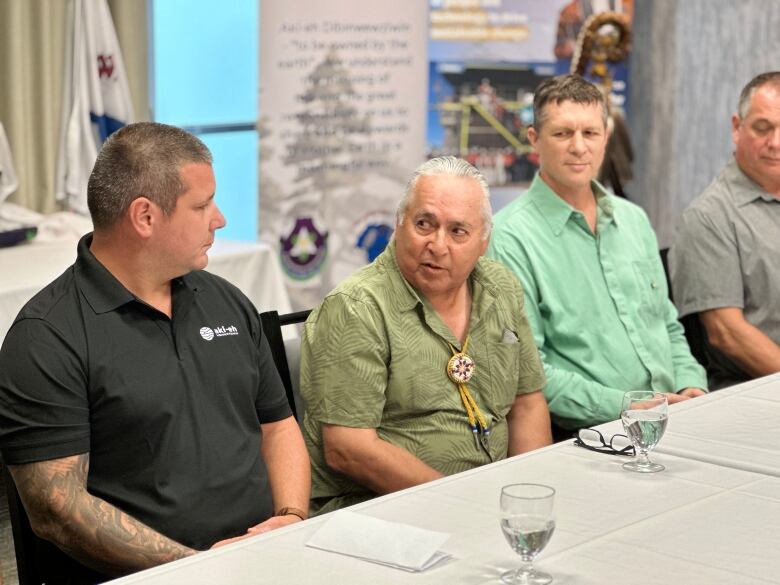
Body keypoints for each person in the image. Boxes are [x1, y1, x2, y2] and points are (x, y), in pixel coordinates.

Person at [0, 122, 310, 583]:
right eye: (202, 205)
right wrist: (200, 569)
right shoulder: (47, 336)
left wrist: (291, 518)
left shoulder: (226, 300)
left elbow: (278, 426)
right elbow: (57, 510)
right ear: (145, 217)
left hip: (266, 558)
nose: (219, 218)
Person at [300, 156, 551, 515]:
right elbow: (348, 448)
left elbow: (527, 403)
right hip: (380, 508)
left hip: (492, 500)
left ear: (483, 242)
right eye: (424, 224)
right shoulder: (357, 307)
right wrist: (460, 505)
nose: (437, 244)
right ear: (398, 225)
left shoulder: (501, 287)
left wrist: (529, 498)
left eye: (458, 231)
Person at [487, 75, 706, 433]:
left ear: (605, 137)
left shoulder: (634, 220)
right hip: (594, 434)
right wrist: (632, 407)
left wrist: (691, 385)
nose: (578, 147)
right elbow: (528, 370)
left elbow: (666, 324)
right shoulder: (510, 238)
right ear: (534, 140)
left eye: (590, 133)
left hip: (678, 416)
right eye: (562, 134)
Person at [670, 72, 780, 389]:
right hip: (754, 392)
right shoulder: (709, 217)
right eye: (763, 128)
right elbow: (726, 333)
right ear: (736, 127)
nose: (775, 142)